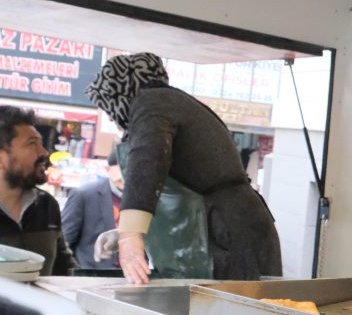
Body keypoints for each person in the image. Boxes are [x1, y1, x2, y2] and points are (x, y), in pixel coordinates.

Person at [85, 53, 282, 284]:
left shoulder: (152, 103)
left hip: (228, 236)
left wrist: (131, 235)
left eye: (110, 108)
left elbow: (148, 161)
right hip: (227, 229)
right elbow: (175, 197)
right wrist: (126, 235)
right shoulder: (172, 103)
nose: (114, 119)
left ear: (119, 94)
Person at [0, 106, 75, 275]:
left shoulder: (46, 204)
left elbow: (64, 268)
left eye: (40, 143)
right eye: (32, 144)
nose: (44, 152)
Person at [61, 149, 123, 269]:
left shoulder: (143, 198)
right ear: (108, 170)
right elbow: (65, 241)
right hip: (93, 271)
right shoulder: (84, 194)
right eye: (121, 170)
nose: (126, 176)